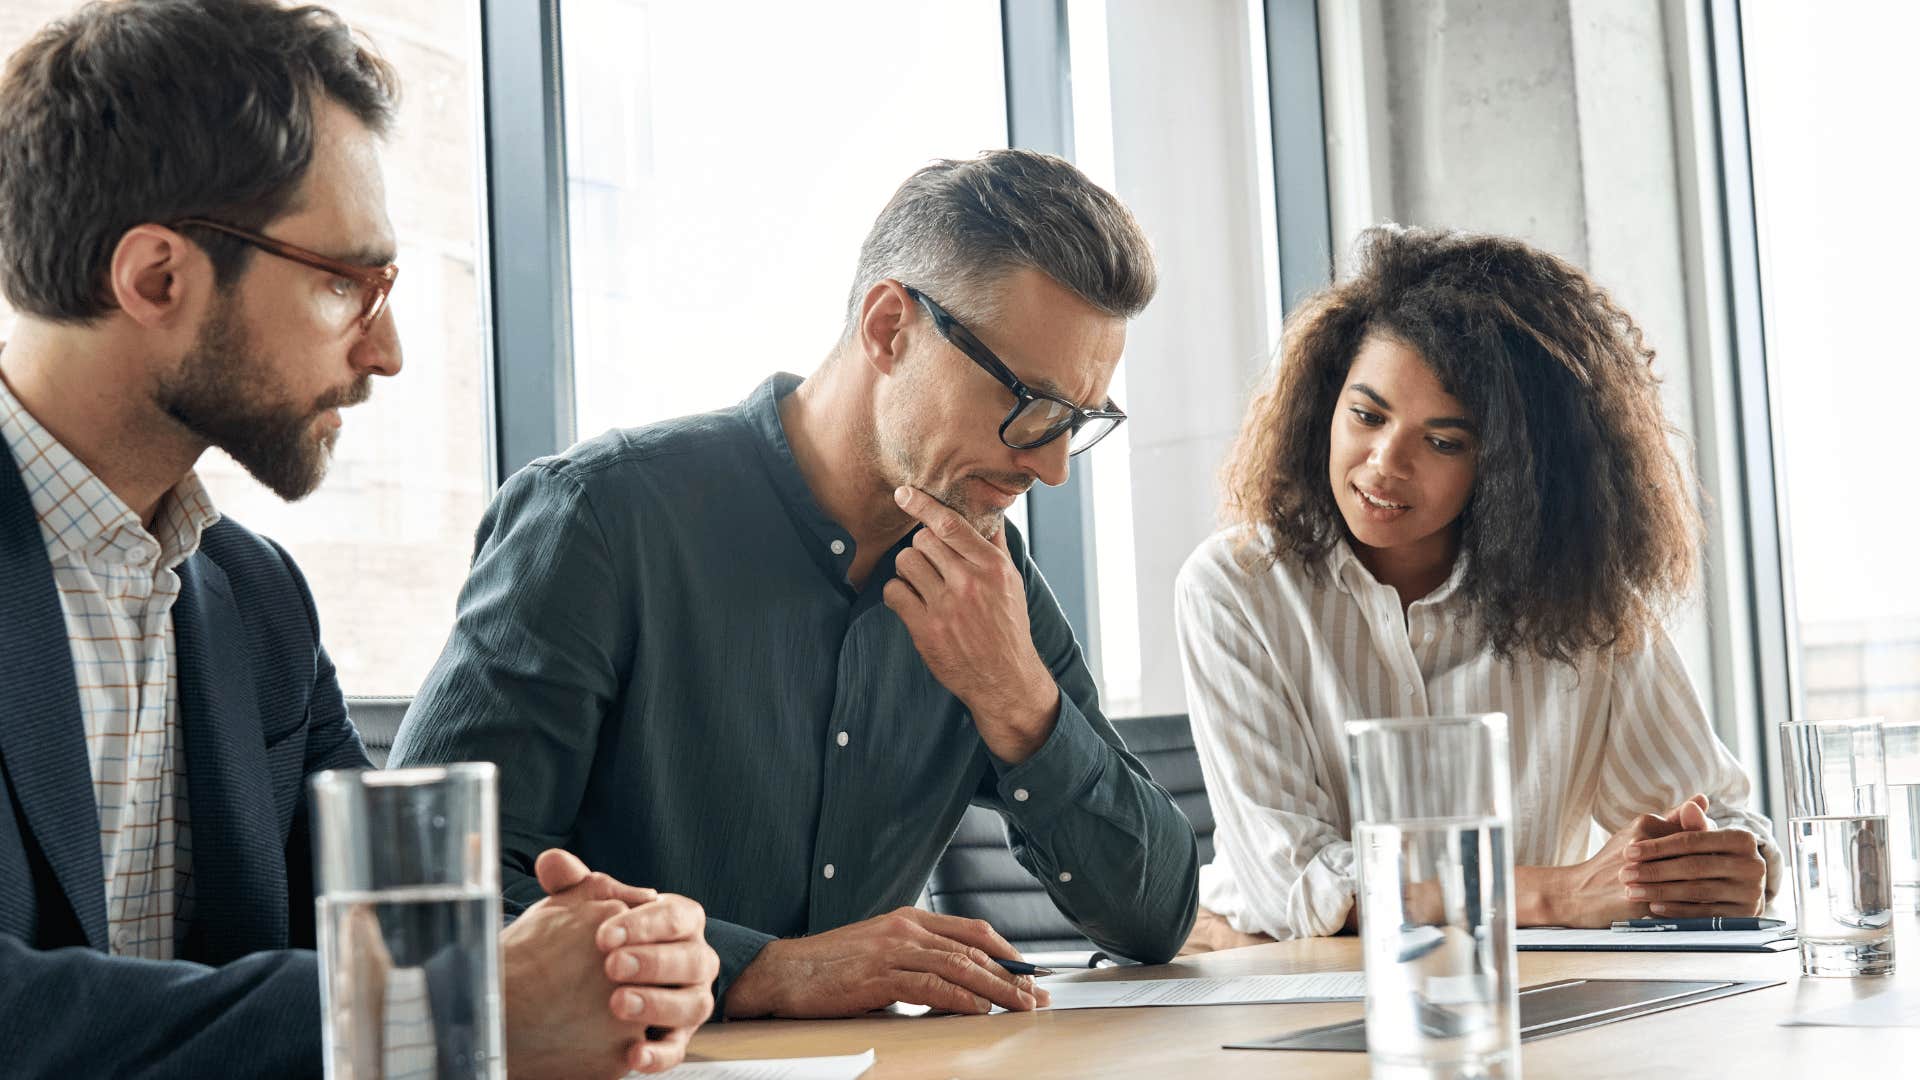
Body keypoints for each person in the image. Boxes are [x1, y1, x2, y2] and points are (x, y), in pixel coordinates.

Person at [0, 2, 713, 1075]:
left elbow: (383, 941)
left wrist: (612, 964)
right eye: (347, 283)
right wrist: (461, 1005)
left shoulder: (257, 601)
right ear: (157, 278)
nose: (387, 353)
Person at [391, 148, 1201, 1017]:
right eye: (1030, 405)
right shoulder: (599, 520)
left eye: (1076, 423)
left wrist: (1018, 700)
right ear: (890, 328)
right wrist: (763, 969)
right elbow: (422, 890)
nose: (1050, 471)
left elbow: (1153, 919)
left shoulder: (987, 577)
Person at [1175, 226, 1780, 950]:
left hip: (1521, 988)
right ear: (1324, 406)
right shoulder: (1235, 588)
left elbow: (1722, 817)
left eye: (1444, 441)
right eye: (1367, 415)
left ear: (1510, 468)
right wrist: (1555, 894)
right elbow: (1297, 886)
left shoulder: (1584, 603)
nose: (1384, 463)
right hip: (1273, 973)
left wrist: (1718, 866)